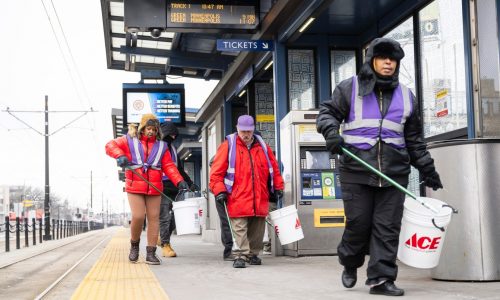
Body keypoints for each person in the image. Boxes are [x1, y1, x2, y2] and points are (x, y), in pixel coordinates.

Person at [316, 38, 443, 296]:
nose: (388, 63)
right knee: (358, 224)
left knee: (387, 229)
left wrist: (428, 168)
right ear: (371, 60)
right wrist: (331, 132)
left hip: (394, 173)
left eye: (393, 59)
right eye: (383, 57)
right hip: (356, 170)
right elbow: (326, 113)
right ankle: (350, 262)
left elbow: (415, 140)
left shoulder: (407, 96)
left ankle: (381, 279)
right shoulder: (348, 89)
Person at [105, 114, 189, 265]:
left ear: (158, 131)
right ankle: (134, 246)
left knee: (154, 218)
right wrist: (120, 156)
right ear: (142, 128)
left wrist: (179, 181)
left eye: (154, 129)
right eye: (148, 128)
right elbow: (110, 145)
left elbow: (169, 166)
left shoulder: (162, 147)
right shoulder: (130, 140)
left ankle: (151, 252)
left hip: (155, 186)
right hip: (135, 185)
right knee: (138, 216)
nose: (151, 132)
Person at [209, 115, 284, 268]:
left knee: (257, 227)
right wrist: (219, 191)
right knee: (239, 226)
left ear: (253, 129)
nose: (246, 134)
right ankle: (241, 255)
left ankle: (253, 254)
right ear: (237, 128)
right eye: (243, 131)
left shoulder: (263, 146)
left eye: (248, 131)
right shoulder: (228, 145)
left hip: (259, 195)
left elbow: (274, 169)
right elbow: (216, 173)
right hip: (237, 196)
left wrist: (278, 186)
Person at [158, 121, 197, 257]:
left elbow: (179, 169)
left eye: (174, 135)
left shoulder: (174, 150)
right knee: (164, 217)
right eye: (170, 135)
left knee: (177, 216)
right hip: (160, 187)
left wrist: (190, 183)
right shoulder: (156, 148)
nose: (172, 138)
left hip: (175, 187)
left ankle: (163, 237)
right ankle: (165, 245)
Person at [209, 155, 235, 261]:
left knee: (238, 221)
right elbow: (213, 166)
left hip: (238, 193)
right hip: (222, 193)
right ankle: (229, 250)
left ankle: (243, 250)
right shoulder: (227, 150)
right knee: (226, 221)